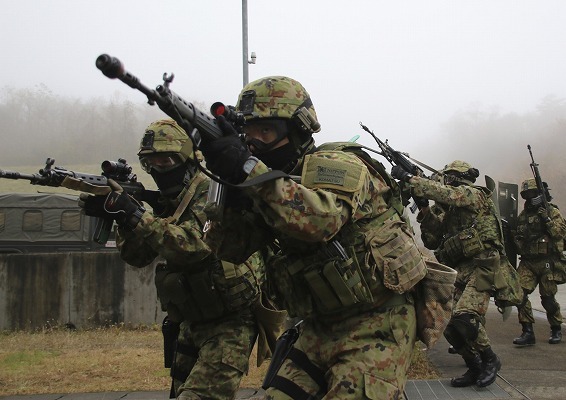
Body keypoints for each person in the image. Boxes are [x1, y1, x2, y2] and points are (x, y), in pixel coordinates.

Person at [200, 76, 427, 399]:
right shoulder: (270, 188)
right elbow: (231, 249)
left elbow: (319, 221)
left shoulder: (338, 164)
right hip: (319, 325)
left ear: (298, 130)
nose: (255, 143)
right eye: (248, 134)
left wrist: (249, 170)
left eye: (266, 132)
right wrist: (232, 198)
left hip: (377, 321)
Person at [79, 119, 278, 400]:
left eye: (167, 161)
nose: (160, 170)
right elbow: (137, 257)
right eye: (152, 164)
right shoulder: (169, 202)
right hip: (192, 321)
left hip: (231, 324)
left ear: (188, 159)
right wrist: (123, 218)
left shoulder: (211, 190)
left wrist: (137, 216)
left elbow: (196, 245)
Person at [391, 160, 511, 388]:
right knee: (446, 321)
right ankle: (473, 365)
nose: (444, 181)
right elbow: (432, 239)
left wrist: (411, 179)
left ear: (455, 177)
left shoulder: (474, 195)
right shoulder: (452, 210)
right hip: (462, 269)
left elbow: (448, 193)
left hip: (483, 266)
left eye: (447, 177)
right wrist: (424, 209)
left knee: (465, 317)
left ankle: (490, 359)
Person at [511, 178, 566, 346]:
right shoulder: (523, 216)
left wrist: (546, 220)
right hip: (528, 262)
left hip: (547, 261)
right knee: (519, 294)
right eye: (526, 195)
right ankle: (527, 331)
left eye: (532, 194)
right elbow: (519, 239)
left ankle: (556, 327)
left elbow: (559, 233)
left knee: (547, 298)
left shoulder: (552, 212)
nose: (529, 198)